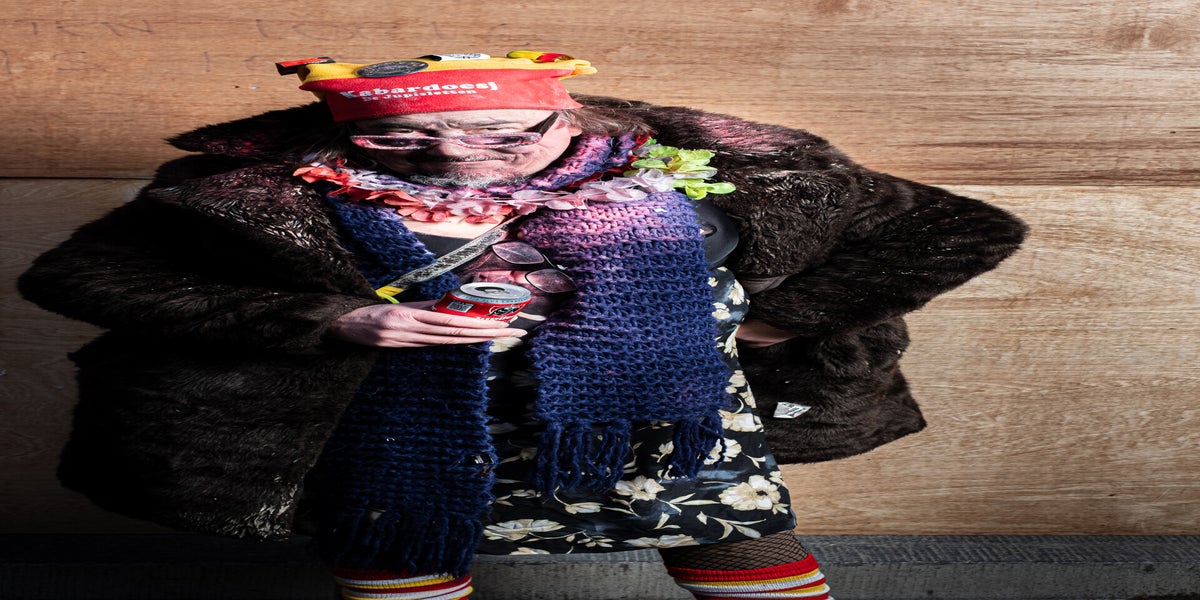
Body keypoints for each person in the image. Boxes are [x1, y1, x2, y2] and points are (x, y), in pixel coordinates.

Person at [19, 51, 1027, 599]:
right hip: (393, 423)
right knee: (400, 552)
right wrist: (329, 320)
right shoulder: (253, 191)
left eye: (505, 136)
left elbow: (954, 226)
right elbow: (81, 275)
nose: (459, 159)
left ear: (569, 115)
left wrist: (787, 318)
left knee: (734, 547)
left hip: (666, 422)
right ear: (345, 131)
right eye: (404, 141)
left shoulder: (730, 171)